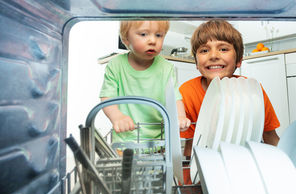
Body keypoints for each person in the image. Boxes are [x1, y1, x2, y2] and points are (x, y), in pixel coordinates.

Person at [180, 19, 280, 156]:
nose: (214, 56)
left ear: (238, 60)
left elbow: (271, 137)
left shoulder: (253, 91)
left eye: (223, 49)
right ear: (196, 63)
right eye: (204, 50)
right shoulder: (187, 92)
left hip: (244, 161)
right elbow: (191, 147)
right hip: (205, 163)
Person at [100, 20, 191, 143]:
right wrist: (117, 117)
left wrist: (180, 116)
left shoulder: (166, 68)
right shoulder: (115, 65)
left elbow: (175, 98)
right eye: (143, 34)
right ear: (126, 39)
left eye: (159, 35)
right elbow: (107, 97)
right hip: (125, 140)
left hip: (160, 140)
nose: (153, 41)